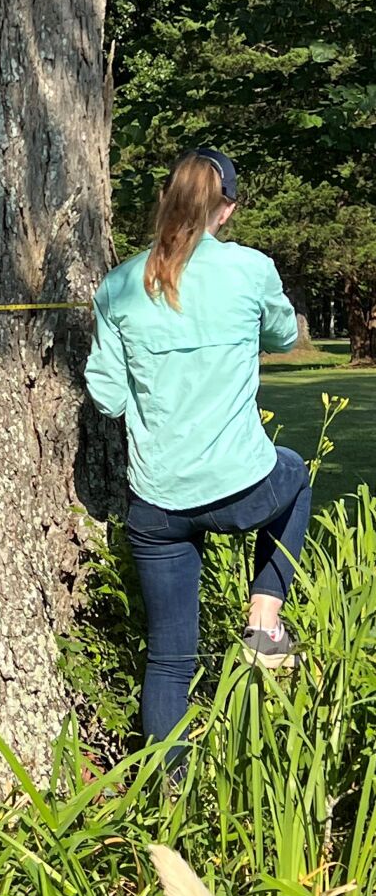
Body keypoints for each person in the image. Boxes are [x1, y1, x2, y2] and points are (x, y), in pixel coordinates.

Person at [84, 149, 310, 760]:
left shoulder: (120, 284)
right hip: (243, 489)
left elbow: (105, 396)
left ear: (168, 200)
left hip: (157, 503)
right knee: (296, 474)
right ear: (227, 208)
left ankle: (166, 806)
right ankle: (265, 621)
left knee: (168, 660)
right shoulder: (250, 270)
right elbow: (285, 336)